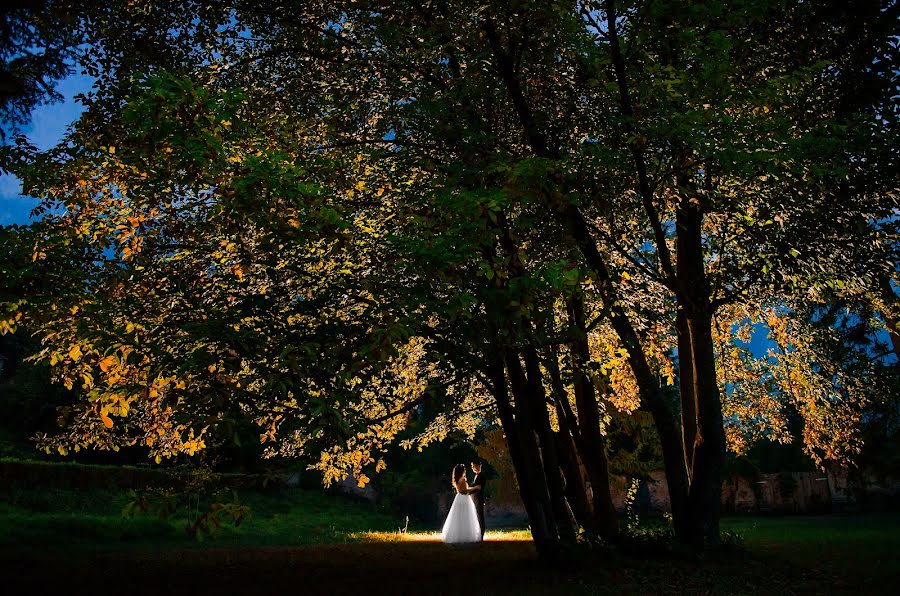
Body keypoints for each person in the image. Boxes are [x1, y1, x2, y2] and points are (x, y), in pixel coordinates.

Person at [441, 463, 482, 543]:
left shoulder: (457, 479)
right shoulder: (462, 479)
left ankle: (458, 535)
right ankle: (465, 536)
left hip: (458, 498)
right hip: (464, 499)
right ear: (462, 471)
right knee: (465, 517)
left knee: (458, 517)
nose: (465, 471)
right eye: (464, 470)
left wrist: (472, 488)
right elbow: (464, 491)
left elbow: (464, 489)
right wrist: (476, 487)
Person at [470, 461, 486, 539]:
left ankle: (481, 534)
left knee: (480, 516)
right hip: (475, 498)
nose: (472, 468)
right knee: (477, 516)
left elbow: (479, 488)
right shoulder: (476, 476)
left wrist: (468, 492)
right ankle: (478, 533)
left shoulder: (481, 476)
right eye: (472, 466)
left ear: (478, 466)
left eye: (473, 466)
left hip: (478, 499)